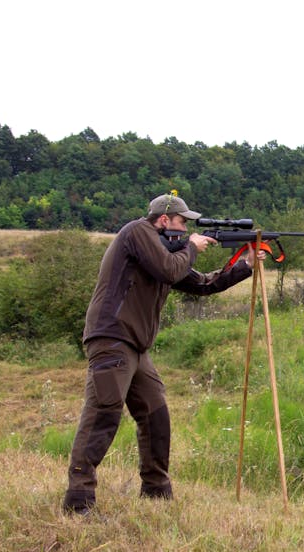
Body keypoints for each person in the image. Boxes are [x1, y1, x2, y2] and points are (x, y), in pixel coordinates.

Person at [62, 192, 259, 514]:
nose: (185, 229)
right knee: (103, 416)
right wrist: (191, 248)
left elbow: (202, 284)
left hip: (135, 346)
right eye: (182, 222)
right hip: (113, 337)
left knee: (156, 416)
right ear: (164, 220)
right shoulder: (137, 232)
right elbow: (170, 269)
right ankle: (78, 500)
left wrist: (245, 265)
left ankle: (156, 492)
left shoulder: (165, 251)